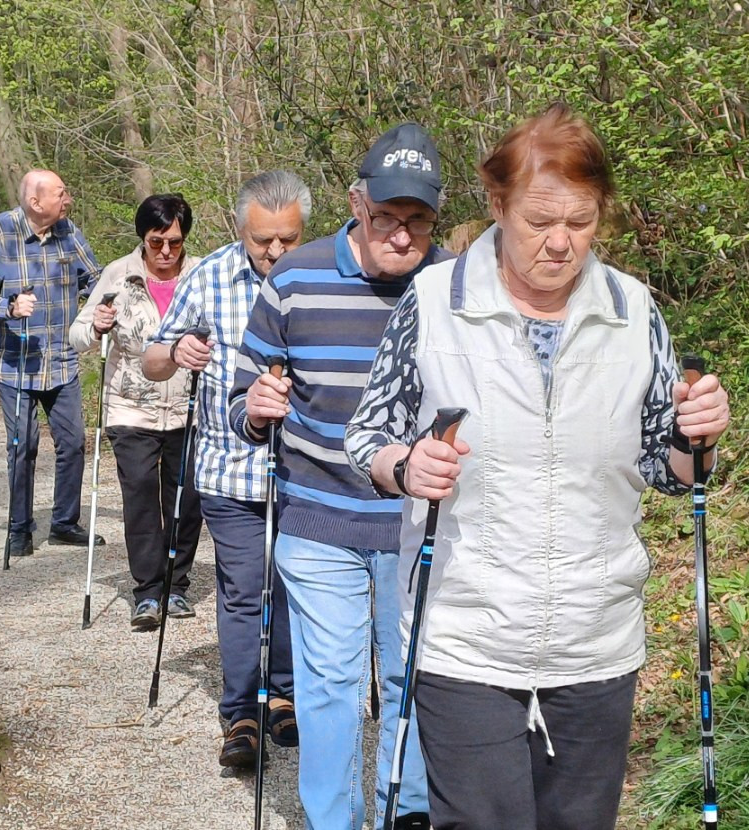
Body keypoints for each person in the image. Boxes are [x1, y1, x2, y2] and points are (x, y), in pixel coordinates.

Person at [345, 104, 732, 830]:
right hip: (465, 635)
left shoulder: (632, 309)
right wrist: (408, 466)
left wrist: (699, 433)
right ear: (497, 204)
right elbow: (369, 437)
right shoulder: (435, 303)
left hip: (596, 638)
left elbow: (668, 466)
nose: (560, 243)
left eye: (581, 223)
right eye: (538, 222)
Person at [230, 124, 448, 830]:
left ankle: (405, 809)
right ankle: (334, 820)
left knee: (407, 677)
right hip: (318, 518)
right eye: (387, 216)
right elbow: (240, 393)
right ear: (357, 204)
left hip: (418, 524)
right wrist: (255, 407)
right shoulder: (295, 278)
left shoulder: (454, 286)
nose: (403, 235)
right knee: (329, 684)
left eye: (418, 220)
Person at [142, 170, 309, 769]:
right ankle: (240, 710)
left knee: (292, 586)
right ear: (241, 229)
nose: (275, 252)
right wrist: (176, 351)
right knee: (243, 590)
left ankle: (285, 695)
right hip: (229, 470)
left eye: (288, 238)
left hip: (306, 475)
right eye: (263, 240)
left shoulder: (320, 278)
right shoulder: (208, 277)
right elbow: (153, 359)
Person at [68, 194, 205, 631]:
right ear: (142, 238)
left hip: (191, 408)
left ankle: (177, 586)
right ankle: (148, 592)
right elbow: (77, 336)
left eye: (175, 243)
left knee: (186, 499)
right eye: (156, 242)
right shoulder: (117, 275)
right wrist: (96, 326)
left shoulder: (203, 274)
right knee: (142, 497)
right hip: (131, 408)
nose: (166, 252)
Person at [0, 170, 105, 558]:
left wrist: (107, 304)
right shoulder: (1, 230)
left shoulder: (67, 231)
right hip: (15, 363)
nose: (68, 199)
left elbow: (93, 277)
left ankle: (64, 522)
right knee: (23, 444)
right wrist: (7, 307)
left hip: (61, 359)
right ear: (35, 202)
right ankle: (19, 527)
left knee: (73, 443)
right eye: (61, 193)